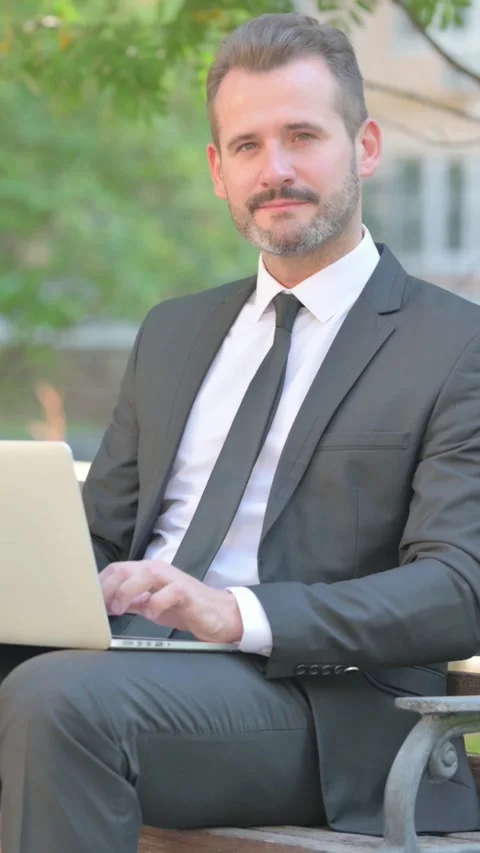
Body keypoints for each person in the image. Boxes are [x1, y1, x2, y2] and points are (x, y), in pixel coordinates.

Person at [1, 11, 480, 853]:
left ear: (365, 147)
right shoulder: (174, 332)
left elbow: (460, 589)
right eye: (249, 146)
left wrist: (238, 613)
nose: (278, 169)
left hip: (325, 712)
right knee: (52, 690)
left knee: (59, 702)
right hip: (136, 667)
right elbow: (99, 538)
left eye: (303, 135)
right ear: (219, 171)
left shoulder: (454, 345)